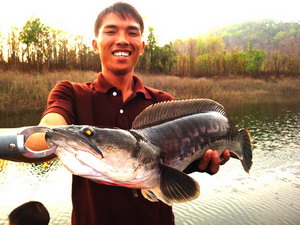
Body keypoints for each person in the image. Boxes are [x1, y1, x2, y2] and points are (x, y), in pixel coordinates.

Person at [1, 2, 230, 225]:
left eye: (132, 33)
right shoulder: (71, 93)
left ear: (141, 45)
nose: (122, 39)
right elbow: (46, 132)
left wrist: (201, 162)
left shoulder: (163, 104)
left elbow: (172, 166)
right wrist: (45, 137)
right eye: (111, 31)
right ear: (95, 43)